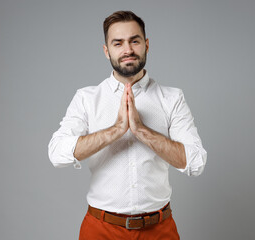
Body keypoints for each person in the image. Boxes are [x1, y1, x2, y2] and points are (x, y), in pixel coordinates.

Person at [48, 10, 207, 240]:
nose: (128, 50)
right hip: (101, 229)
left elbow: (196, 162)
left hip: (158, 229)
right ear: (106, 51)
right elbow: (56, 154)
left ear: (146, 44)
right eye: (118, 43)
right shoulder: (86, 98)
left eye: (134, 41)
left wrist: (143, 131)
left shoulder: (172, 99)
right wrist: (115, 130)